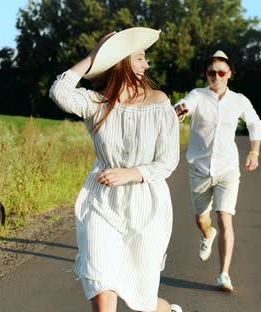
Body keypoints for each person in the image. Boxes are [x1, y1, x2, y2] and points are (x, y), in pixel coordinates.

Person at [49, 27, 182, 312]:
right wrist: (95, 55)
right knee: (101, 284)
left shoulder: (159, 102)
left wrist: (131, 173)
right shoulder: (96, 103)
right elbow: (59, 92)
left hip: (145, 205)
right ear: (121, 62)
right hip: (101, 203)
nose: (146, 65)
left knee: (143, 299)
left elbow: (168, 161)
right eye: (140, 58)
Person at [173, 50, 261, 292]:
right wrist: (180, 110)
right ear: (207, 74)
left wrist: (254, 152)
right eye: (212, 72)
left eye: (221, 72)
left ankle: (223, 274)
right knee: (202, 219)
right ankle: (207, 233)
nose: (216, 76)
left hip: (227, 169)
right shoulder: (198, 95)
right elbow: (184, 105)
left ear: (229, 74)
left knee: (225, 217)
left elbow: (254, 123)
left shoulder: (239, 100)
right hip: (199, 168)